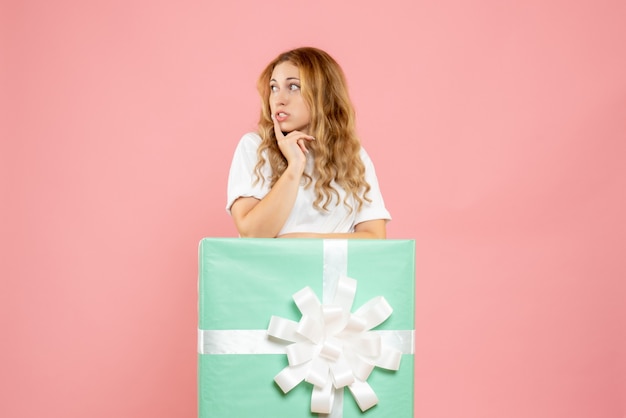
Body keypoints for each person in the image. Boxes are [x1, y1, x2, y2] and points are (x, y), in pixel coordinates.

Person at [226, 47, 390, 238]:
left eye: (293, 87)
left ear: (324, 95)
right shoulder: (255, 147)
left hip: (335, 269)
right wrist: (294, 166)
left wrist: (304, 242)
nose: (279, 99)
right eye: (274, 87)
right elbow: (252, 233)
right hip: (271, 269)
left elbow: (374, 237)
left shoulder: (353, 155)